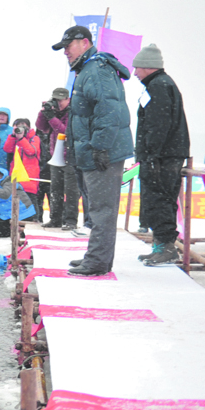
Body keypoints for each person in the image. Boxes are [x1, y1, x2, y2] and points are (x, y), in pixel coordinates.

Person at [52, 24, 135, 276]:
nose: (65, 51)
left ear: (85, 42)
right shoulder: (88, 70)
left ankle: (98, 261)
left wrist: (99, 147)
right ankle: (96, 256)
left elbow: (108, 111)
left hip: (103, 153)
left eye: (68, 46)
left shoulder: (96, 71)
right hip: (91, 152)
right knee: (96, 208)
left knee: (101, 209)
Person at [131, 43, 191, 266]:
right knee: (159, 198)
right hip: (165, 153)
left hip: (162, 155)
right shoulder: (161, 84)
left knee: (159, 198)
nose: (135, 73)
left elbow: (158, 124)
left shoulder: (158, 86)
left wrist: (151, 155)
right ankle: (160, 245)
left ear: (148, 67)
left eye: (137, 68)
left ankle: (165, 247)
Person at [36, 88, 79, 230]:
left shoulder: (73, 112)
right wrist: (44, 113)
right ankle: (55, 219)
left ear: (68, 99)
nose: (58, 103)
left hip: (71, 157)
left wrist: (51, 118)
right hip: (56, 156)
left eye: (61, 100)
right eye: (56, 99)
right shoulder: (54, 112)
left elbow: (66, 131)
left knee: (71, 191)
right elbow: (41, 127)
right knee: (55, 190)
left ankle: (71, 221)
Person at [0, 166, 36, 237]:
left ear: (1, 176)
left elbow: (5, 194)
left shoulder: (10, 181)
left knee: (22, 235)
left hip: (23, 214)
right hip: (6, 216)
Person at [2, 118, 41, 197]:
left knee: (30, 206)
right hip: (16, 178)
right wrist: (13, 136)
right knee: (15, 206)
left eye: (23, 127)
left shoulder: (34, 138)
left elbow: (31, 152)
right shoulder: (15, 139)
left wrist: (21, 139)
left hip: (29, 178)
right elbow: (7, 149)